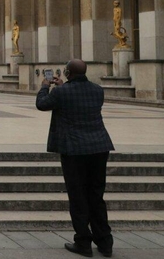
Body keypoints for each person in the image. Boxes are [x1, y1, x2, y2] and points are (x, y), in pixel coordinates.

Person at [36, 59, 115, 258]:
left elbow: (42, 104)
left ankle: (83, 243)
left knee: (78, 197)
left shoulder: (61, 93)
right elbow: (78, 100)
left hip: (74, 150)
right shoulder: (98, 90)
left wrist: (45, 87)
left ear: (67, 72)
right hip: (99, 147)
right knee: (96, 196)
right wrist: (64, 87)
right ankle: (105, 243)